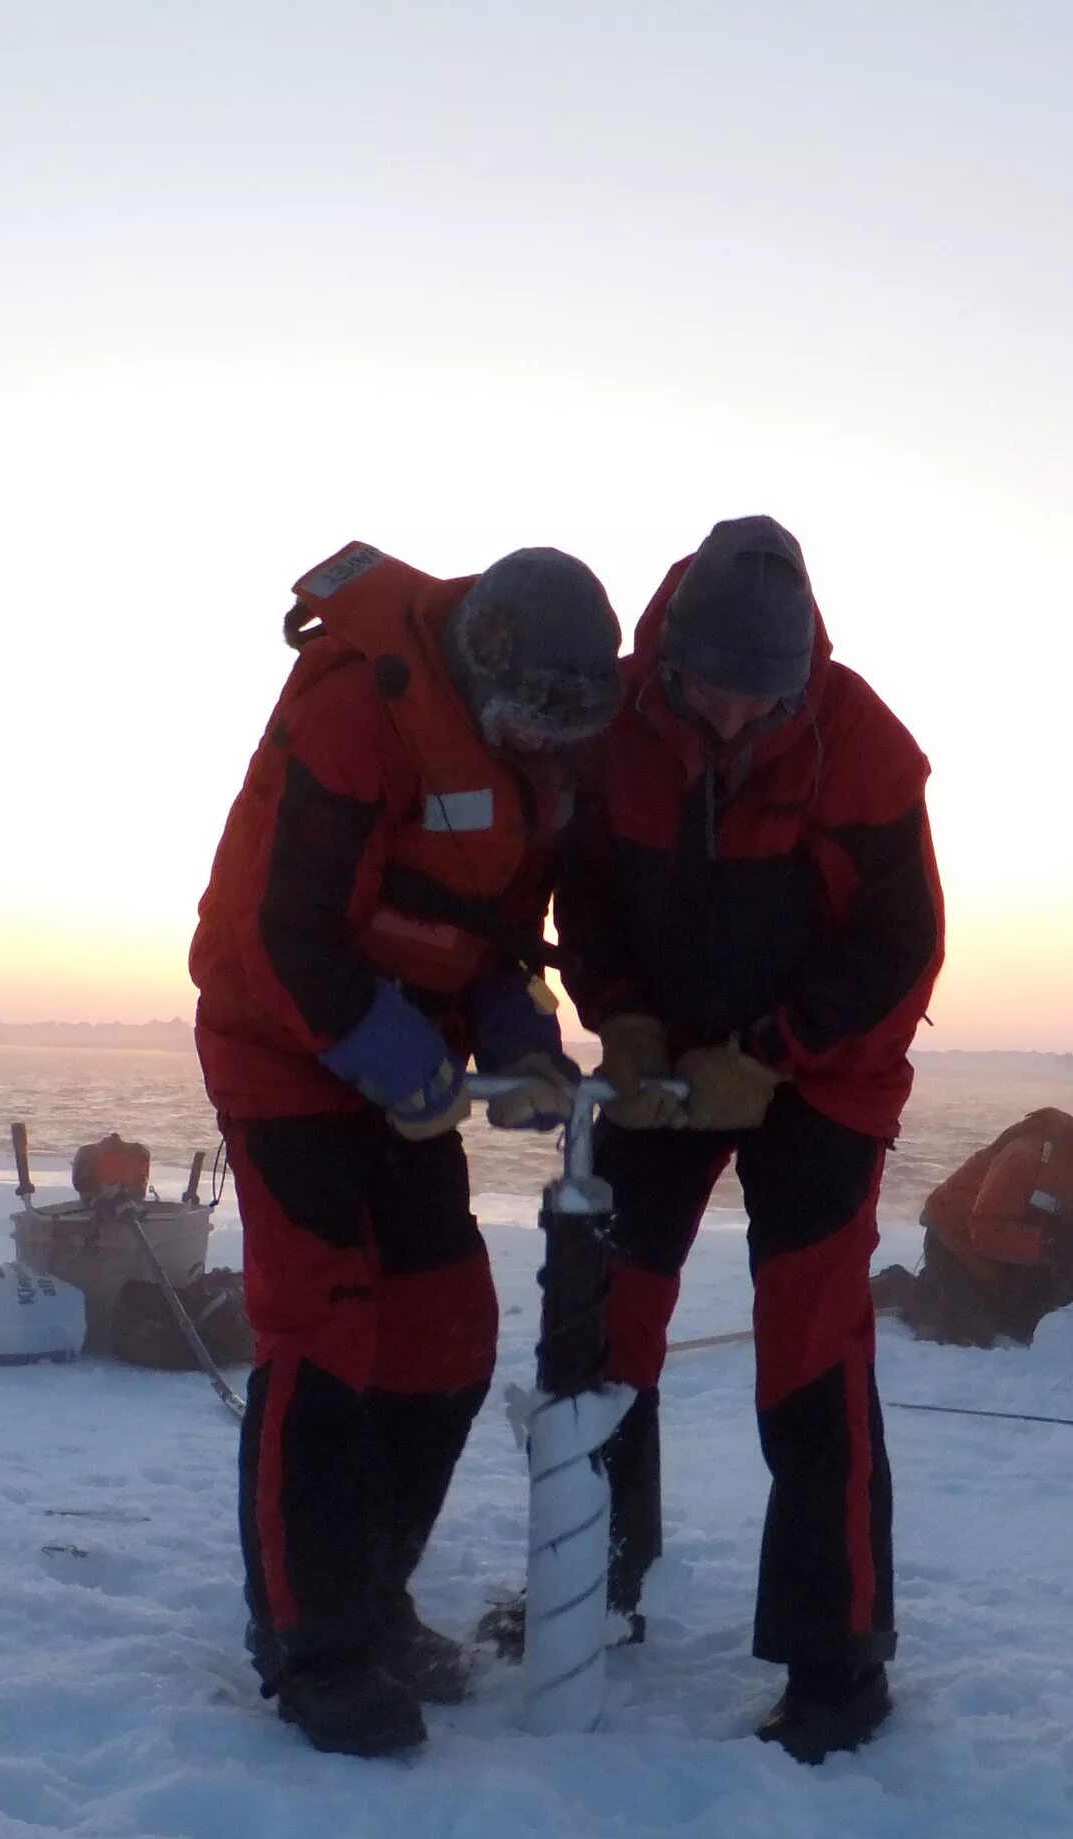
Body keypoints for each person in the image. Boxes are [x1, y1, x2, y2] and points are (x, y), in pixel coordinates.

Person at [191, 540, 622, 1756]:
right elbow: (284, 935)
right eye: (538, 716)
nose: (549, 743)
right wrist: (390, 1055)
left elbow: (492, 929)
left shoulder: (536, 757)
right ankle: (313, 1647)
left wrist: (516, 1034)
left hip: (413, 1063)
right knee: (324, 1326)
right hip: (285, 1049)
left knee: (441, 1335)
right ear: (490, 666)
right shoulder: (355, 710)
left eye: (568, 725)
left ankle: (374, 1594)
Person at [553, 514, 942, 1764]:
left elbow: (899, 949)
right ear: (670, 655)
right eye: (709, 693)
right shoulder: (612, 719)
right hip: (668, 1056)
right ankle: (588, 1584)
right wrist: (622, 1019)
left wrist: (772, 1051)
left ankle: (839, 1662)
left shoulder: (865, 747)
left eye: (758, 702)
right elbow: (587, 891)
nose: (729, 723)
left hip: (822, 1074)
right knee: (603, 1315)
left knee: (809, 1346)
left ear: (802, 678)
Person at [876, 1109, 1073, 1346]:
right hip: (956, 1237)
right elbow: (985, 1229)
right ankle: (898, 1288)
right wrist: (1050, 1244)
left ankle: (955, 1294)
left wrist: (1068, 1282)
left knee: (1020, 1328)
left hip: (1019, 1253)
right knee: (965, 1332)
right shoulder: (1032, 1153)